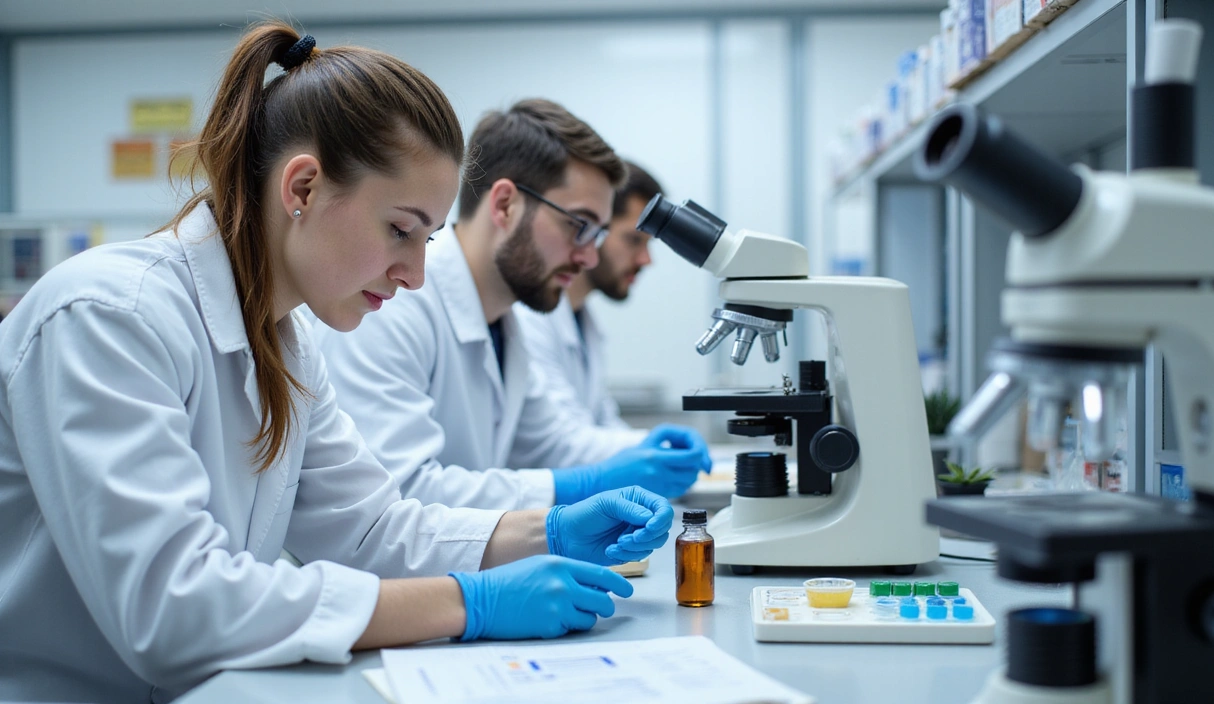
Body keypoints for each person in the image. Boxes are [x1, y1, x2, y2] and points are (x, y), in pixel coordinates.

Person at [0, 24, 674, 702]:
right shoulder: (109, 316)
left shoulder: (287, 341)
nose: (415, 274)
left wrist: (544, 530)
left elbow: (370, 528)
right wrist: (469, 603)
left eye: (428, 238)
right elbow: (174, 608)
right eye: (400, 230)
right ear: (303, 188)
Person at [314, 100, 710, 512]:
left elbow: (549, 444)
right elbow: (398, 492)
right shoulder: (392, 303)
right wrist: (575, 488)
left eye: (597, 235)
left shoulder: (506, 319)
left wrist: (646, 449)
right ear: (505, 205)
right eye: (579, 226)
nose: (589, 258)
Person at [514, 160, 661, 432]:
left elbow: (603, 424)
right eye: (633, 240)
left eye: (648, 244)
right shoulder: (530, 318)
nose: (645, 260)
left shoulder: (586, 325)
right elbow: (563, 439)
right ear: (596, 229)